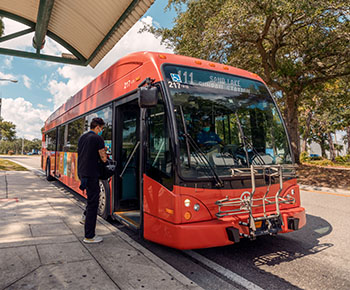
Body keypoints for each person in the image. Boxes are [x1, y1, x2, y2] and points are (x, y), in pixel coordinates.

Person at [78, 117, 107, 244]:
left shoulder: (82, 138)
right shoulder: (97, 138)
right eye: (102, 128)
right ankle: (89, 236)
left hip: (83, 173)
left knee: (91, 199)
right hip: (91, 174)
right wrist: (105, 155)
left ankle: (85, 216)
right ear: (98, 127)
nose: (102, 130)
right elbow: (104, 158)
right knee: (93, 203)